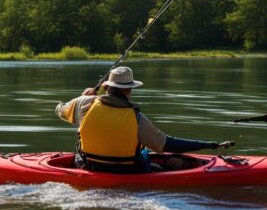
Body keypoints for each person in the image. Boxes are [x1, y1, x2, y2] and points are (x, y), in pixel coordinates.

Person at [55, 66, 233, 172]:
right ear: (129, 90)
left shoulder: (84, 104)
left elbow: (60, 110)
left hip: (89, 167)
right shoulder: (136, 118)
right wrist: (210, 144)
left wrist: (80, 98)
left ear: (106, 87)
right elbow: (168, 145)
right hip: (126, 172)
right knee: (146, 154)